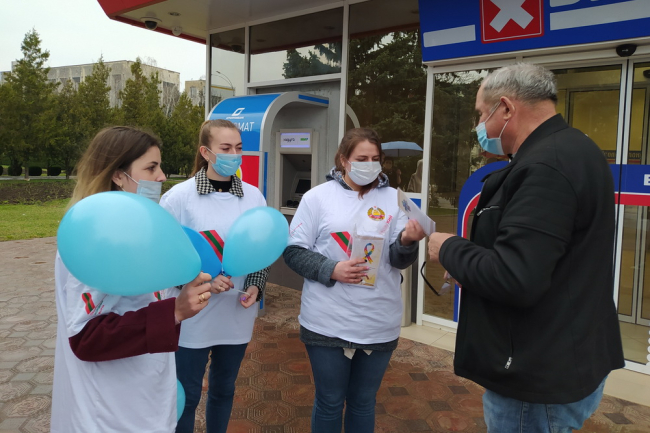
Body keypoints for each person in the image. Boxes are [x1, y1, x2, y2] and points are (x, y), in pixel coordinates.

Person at [427, 63, 625, 432]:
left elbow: (515, 277)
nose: (479, 126)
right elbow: (542, 258)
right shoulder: (575, 148)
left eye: (481, 114)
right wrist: (474, 266)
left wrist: (449, 248)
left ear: (505, 108)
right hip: (562, 354)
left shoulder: (546, 166)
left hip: (536, 375)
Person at [51, 126, 213, 432]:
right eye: (151, 168)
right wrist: (175, 311)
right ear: (118, 175)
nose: (162, 176)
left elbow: (151, 298)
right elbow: (85, 337)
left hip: (148, 389)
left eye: (160, 166)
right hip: (109, 407)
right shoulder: (93, 238)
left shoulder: (143, 229)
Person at [283, 127, 426, 433]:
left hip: (378, 321)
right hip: (327, 322)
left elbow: (399, 260)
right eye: (362, 158)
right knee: (329, 402)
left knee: (363, 403)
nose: (370, 164)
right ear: (343, 160)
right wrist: (331, 269)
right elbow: (293, 252)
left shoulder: (395, 200)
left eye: (375, 158)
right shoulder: (317, 198)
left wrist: (408, 241)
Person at [159, 119, 269, 433]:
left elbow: (260, 249)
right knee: (187, 394)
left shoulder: (253, 198)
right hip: (192, 317)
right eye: (226, 148)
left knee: (224, 389)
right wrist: (202, 281)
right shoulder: (179, 198)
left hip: (236, 314)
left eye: (238, 148)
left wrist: (256, 285)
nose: (234, 155)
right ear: (206, 152)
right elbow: (166, 257)